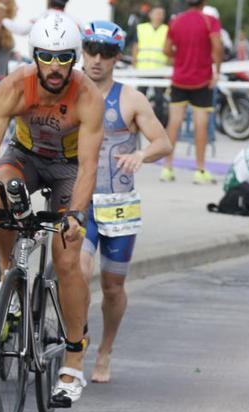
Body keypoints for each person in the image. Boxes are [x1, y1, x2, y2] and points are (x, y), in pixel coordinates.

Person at [0, 12, 104, 405]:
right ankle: (7, 273)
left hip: (68, 169)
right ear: (34, 56)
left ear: (76, 58)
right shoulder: (15, 86)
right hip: (27, 156)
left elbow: (88, 166)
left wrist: (76, 215)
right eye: (47, 57)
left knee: (67, 259)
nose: (55, 67)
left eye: (64, 58)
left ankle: (73, 360)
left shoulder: (87, 97)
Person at [79, 20, 171, 383]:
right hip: (81, 200)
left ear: (118, 57)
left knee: (112, 287)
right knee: (77, 272)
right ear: (82, 50)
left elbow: (162, 142)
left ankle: (105, 351)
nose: (97, 59)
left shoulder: (130, 98)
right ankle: (76, 342)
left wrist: (141, 157)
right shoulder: (70, 91)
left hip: (118, 204)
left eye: (107, 53)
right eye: (91, 50)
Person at [159, 0, 222, 184]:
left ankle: (167, 168)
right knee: (200, 125)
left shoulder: (176, 21)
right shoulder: (210, 21)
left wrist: (179, 57)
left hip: (179, 79)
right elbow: (217, 47)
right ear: (204, 2)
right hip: (202, 80)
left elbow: (166, 49)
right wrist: (216, 70)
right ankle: (200, 170)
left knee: (174, 123)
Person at [132, 5, 168, 126]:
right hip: (143, 69)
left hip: (159, 70)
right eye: (157, 13)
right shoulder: (141, 28)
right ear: (150, 15)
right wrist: (134, 63)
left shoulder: (167, 30)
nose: (159, 16)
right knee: (140, 96)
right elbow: (136, 47)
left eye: (161, 13)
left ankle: (158, 124)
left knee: (159, 98)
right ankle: (136, 121)